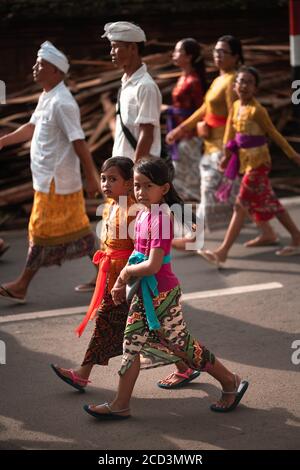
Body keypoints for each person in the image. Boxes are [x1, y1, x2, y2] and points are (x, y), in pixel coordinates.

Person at [83, 158, 249, 419]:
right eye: (137, 186)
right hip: (144, 294)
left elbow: (152, 265)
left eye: (148, 186)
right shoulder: (143, 215)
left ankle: (230, 381)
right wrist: (119, 282)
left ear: (164, 188)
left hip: (162, 295)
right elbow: (137, 253)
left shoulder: (160, 219)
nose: (140, 192)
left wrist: (125, 274)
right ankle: (121, 404)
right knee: (131, 347)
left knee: (184, 346)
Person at [0, 41, 101, 304]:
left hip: (57, 181)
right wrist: (3, 140)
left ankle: (22, 284)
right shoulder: (48, 97)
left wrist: (91, 177)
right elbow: (31, 128)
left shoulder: (63, 103)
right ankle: (106, 272)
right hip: (46, 180)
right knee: (80, 231)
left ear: (56, 71)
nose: (35, 68)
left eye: (40, 64)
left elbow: (79, 141)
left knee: (40, 230)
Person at [166, 35, 276, 245]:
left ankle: (194, 236)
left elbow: (234, 118)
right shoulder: (218, 79)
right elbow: (204, 109)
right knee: (242, 194)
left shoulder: (233, 81)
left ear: (235, 57)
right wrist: (181, 129)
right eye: (216, 51)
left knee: (209, 189)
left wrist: (228, 149)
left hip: (222, 146)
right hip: (212, 144)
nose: (218, 55)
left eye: (223, 52)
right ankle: (268, 231)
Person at [198, 66, 300, 267]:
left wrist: (293, 155)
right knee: (270, 202)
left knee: (240, 204)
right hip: (245, 163)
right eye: (240, 81)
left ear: (256, 88)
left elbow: (274, 134)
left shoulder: (257, 110)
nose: (243, 85)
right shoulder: (235, 106)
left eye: (248, 82)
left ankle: (222, 251)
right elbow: (230, 134)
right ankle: (293, 237)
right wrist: (227, 156)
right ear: (235, 86)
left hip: (259, 163)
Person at [51, 157, 136, 390]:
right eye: (103, 179)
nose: (106, 184)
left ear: (129, 183)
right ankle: (81, 373)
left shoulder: (134, 210)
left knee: (156, 332)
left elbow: (140, 250)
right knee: (111, 325)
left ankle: (187, 365)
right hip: (113, 278)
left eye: (113, 179)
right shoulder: (112, 206)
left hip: (128, 282)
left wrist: (125, 279)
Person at [102, 21, 162, 162]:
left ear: (133, 48)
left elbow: (147, 134)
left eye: (116, 47)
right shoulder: (125, 84)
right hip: (121, 170)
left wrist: (135, 173)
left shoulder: (145, 86)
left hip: (134, 172)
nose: (111, 52)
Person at [165, 38, 206, 202]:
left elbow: (200, 109)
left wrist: (186, 129)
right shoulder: (183, 77)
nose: (174, 55)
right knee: (180, 173)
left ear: (188, 57)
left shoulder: (194, 81)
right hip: (178, 130)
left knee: (191, 174)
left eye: (178, 51)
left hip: (190, 134)